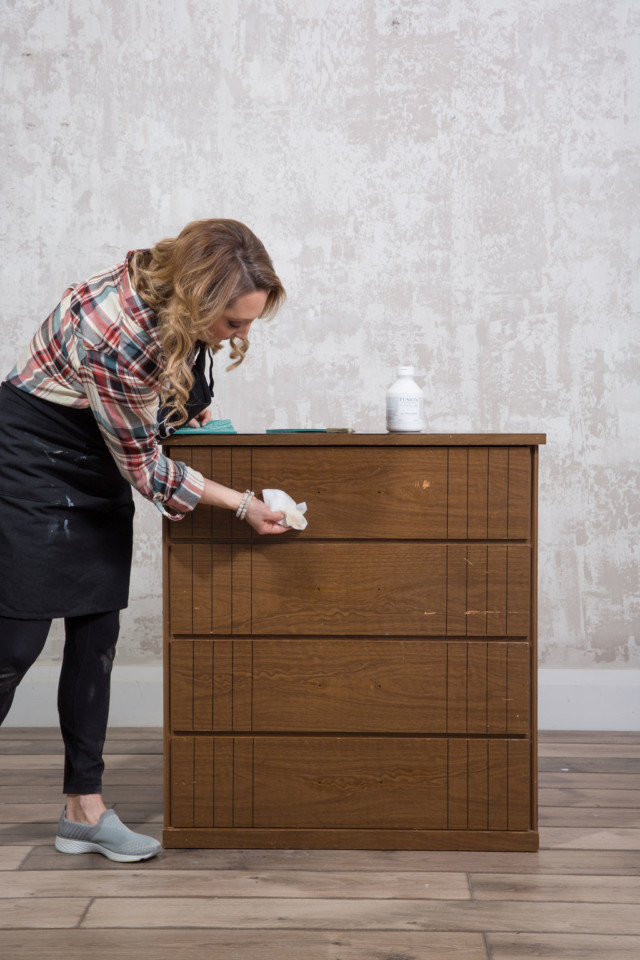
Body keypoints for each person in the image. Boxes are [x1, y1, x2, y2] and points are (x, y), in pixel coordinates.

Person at [0, 219, 288, 862]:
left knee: (96, 630)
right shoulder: (120, 334)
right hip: (32, 454)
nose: (240, 338)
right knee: (14, 641)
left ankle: (84, 812)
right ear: (198, 300)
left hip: (94, 447)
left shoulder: (174, 299)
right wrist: (240, 503)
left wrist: (192, 404)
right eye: (234, 324)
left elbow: (151, 409)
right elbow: (148, 470)